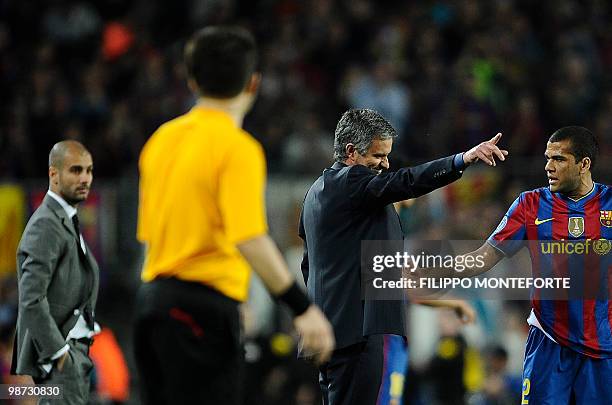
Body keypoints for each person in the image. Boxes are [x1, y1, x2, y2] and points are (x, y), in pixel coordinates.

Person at [134, 25, 334, 405]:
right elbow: (249, 236)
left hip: (152, 304)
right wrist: (302, 308)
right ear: (253, 83)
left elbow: (151, 233)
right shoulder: (238, 148)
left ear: (192, 80)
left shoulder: (161, 140)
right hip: (201, 312)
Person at [299, 108, 507, 405]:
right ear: (350, 152)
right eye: (378, 156)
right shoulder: (352, 183)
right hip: (359, 331)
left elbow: (309, 264)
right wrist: (463, 159)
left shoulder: (315, 193)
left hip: (331, 330)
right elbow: (407, 180)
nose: (385, 165)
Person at [422, 126, 611, 403]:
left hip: (603, 347)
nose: (548, 166)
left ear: (584, 164)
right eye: (547, 158)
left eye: (559, 159)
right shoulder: (530, 204)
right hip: (549, 341)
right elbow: (486, 257)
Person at [12, 140, 99, 404]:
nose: (85, 178)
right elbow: (31, 298)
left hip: (72, 357)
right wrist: (59, 354)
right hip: (60, 362)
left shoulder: (64, 220)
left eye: (89, 170)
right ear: (54, 174)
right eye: (75, 170)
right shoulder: (47, 224)